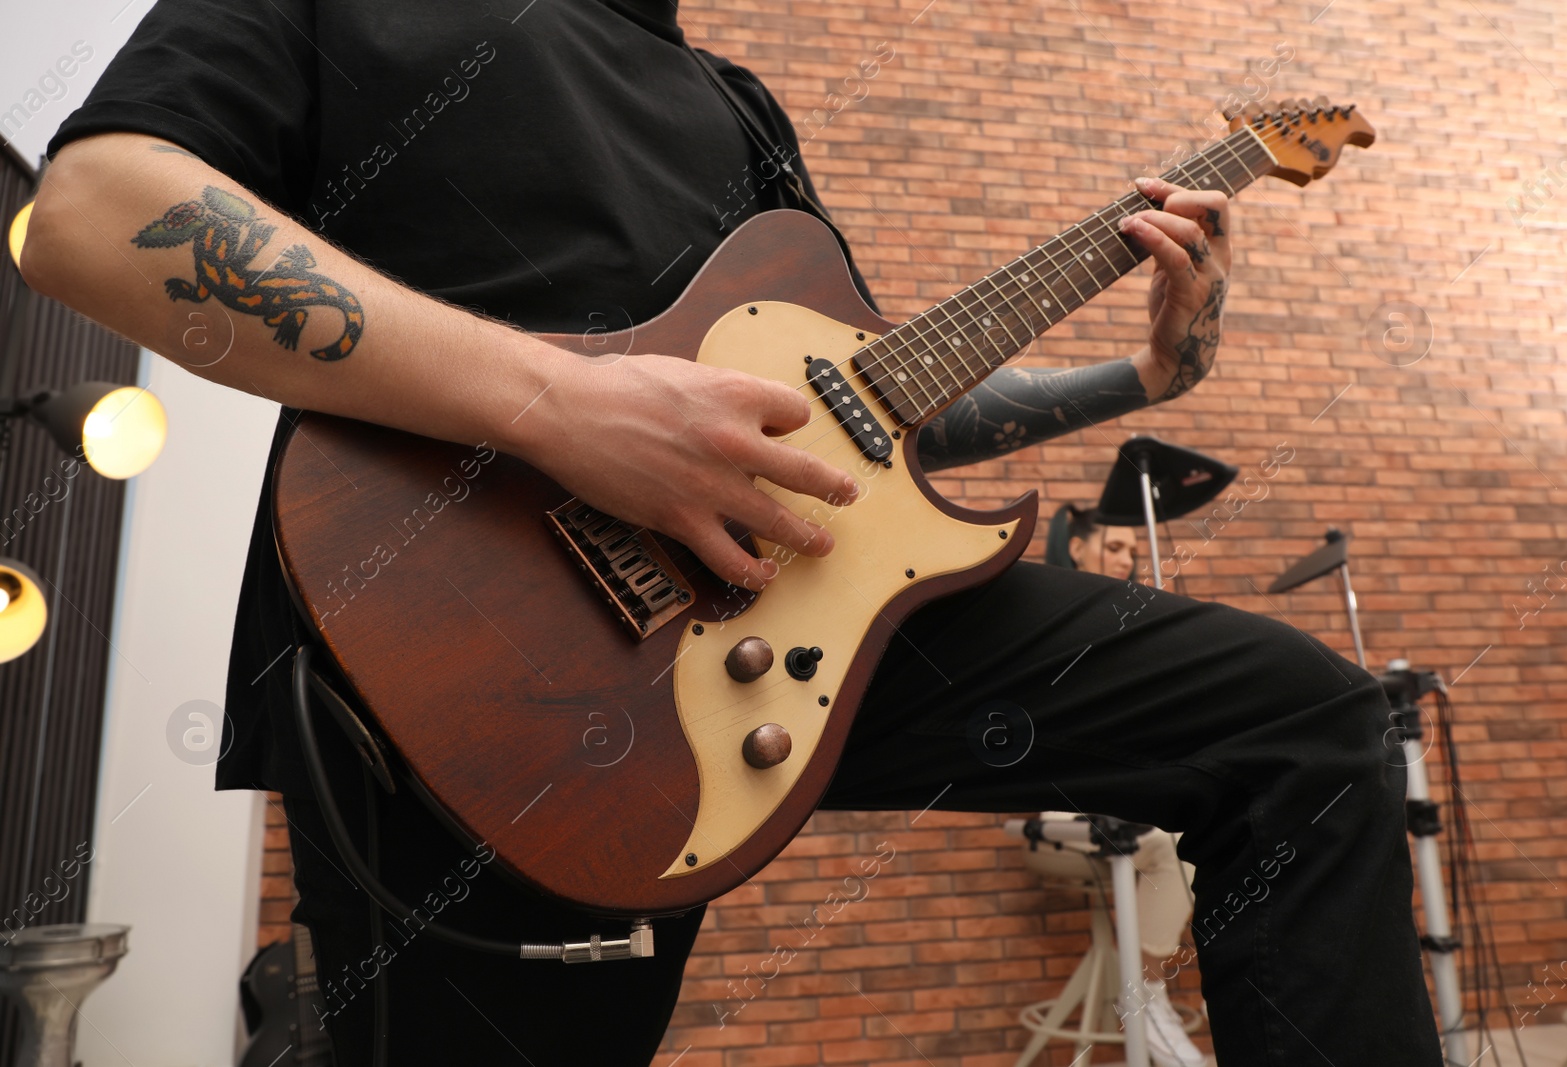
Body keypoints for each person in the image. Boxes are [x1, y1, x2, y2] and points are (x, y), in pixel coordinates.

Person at [21, 1, 1443, 1064]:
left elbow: (871, 408)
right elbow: (96, 212)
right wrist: (559, 402)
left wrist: (1147, 378)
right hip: (487, 637)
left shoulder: (731, 97)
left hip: (798, 604)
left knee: (1305, 730)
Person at [1046, 501, 1204, 1067]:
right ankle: (1142, 999)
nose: (1127, 559)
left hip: (1125, 799)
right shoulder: (1050, 616)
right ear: (1077, 546)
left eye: (1134, 552)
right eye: (1114, 547)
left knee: (1197, 837)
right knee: (1162, 846)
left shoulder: (1132, 618)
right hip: (1057, 806)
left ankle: (1147, 991)